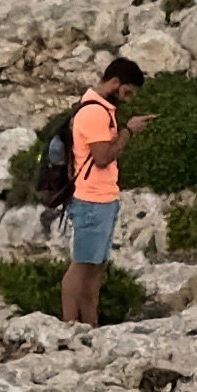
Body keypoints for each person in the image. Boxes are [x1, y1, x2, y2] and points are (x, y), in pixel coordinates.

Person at [54, 61, 143, 328]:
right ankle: (70, 326)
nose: (128, 98)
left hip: (102, 199)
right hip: (91, 200)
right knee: (82, 265)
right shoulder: (94, 113)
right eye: (127, 92)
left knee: (95, 268)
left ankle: (90, 327)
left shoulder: (102, 110)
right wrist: (128, 131)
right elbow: (102, 157)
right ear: (115, 82)